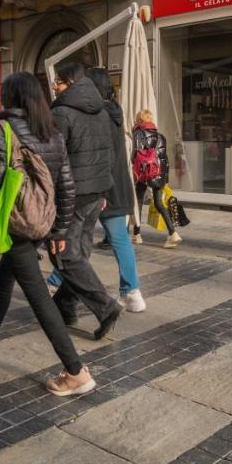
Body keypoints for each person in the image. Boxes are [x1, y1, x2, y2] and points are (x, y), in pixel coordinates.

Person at [0, 73, 95, 396]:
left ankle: (75, 371)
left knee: (39, 297)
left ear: (11, 97)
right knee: (4, 281)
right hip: (41, 221)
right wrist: (59, 229)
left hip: (16, 221)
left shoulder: (1, 128)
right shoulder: (52, 131)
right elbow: (65, 185)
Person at [50, 60, 122, 339]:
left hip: (73, 195)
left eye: (59, 81)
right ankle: (66, 306)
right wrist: (104, 190)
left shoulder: (61, 112)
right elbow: (110, 153)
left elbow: (56, 160)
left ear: (71, 83)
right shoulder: (103, 111)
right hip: (96, 192)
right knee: (79, 251)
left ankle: (105, 307)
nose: (55, 85)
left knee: (64, 255)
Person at [88, 68, 145, 313]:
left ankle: (55, 283)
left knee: (76, 238)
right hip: (119, 186)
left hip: (98, 186)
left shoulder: (96, 114)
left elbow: (100, 154)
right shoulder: (116, 112)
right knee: (120, 239)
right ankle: (132, 292)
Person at [130, 109, 183, 249]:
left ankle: (137, 235)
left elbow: (135, 154)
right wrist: (165, 178)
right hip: (159, 172)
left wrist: (134, 169)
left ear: (140, 120)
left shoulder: (137, 133)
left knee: (139, 202)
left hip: (143, 172)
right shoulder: (161, 136)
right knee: (159, 203)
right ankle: (173, 234)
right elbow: (164, 158)